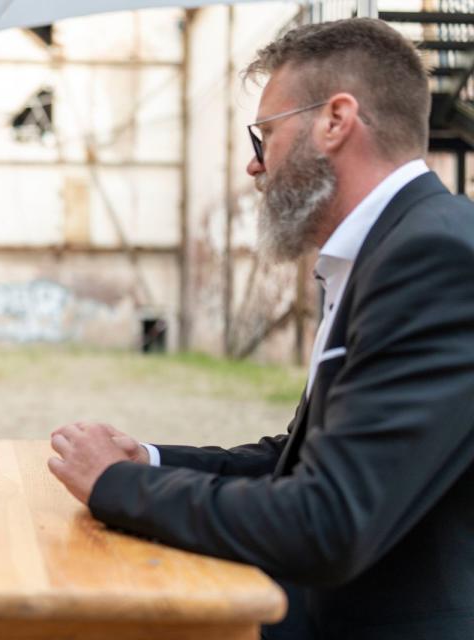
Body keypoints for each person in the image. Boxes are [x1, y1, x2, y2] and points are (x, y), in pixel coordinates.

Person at [48, 18, 474, 640]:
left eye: (265, 135)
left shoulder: (432, 258)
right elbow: (297, 460)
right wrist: (152, 460)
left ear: (335, 121)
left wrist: (119, 486)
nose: (254, 166)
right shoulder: (389, 249)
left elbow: (327, 521)